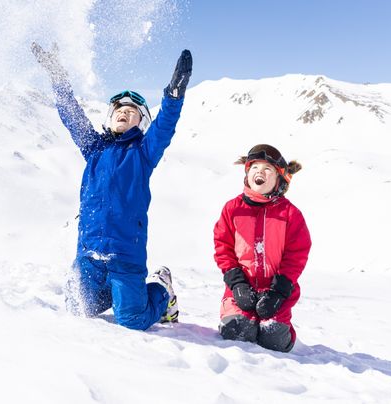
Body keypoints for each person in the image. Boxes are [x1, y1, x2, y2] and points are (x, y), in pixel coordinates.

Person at [32, 42, 192, 330]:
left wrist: (173, 96)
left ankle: (161, 290)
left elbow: (164, 127)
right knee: (78, 307)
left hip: (124, 254)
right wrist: (57, 76)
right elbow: (72, 117)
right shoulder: (94, 148)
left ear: (141, 123)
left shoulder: (143, 153)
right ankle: (119, 295)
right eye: (119, 109)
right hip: (89, 253)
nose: (124, 113)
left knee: (131, 320)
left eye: (132, 112)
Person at [213, 144, 311, 352]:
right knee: (238, 331)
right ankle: (236, 318)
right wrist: (237, 283)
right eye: (255, 168)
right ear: (247, 175)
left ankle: (280, 333)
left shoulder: (290, 214)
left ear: (279, 180)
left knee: (273, 339)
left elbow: (297, 253)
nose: (260, 172)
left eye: (268, 169)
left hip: (276, 292)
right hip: (241, 288)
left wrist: (279, 290)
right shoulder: (233, 209)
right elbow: (223, 246)